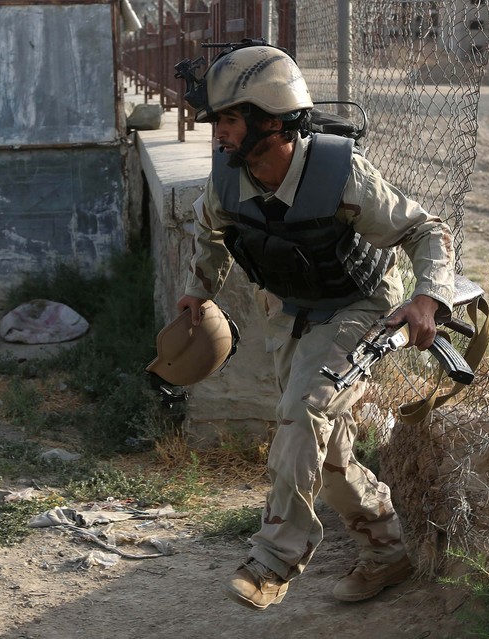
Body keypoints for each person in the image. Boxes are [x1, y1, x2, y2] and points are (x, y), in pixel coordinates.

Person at [175, 42, 455, 611]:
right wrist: (195, 295)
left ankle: (274, 560)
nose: (219, 133)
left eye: (229, 119)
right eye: (217, 121)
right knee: (325, 455)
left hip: (362, 305)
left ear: (271, 120)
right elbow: (209, 234)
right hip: (291, 310)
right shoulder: (228, 180)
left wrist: (429, 298)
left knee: (303, 412)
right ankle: (388, 548)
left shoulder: (338, 171)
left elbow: (425, 230)